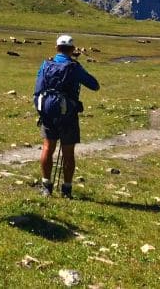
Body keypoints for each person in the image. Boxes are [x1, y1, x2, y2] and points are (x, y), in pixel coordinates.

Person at [36, 34, 100, 198]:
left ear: (56, 48)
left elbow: (38, 90)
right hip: (68, 114)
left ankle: (46, 186)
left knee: (48, 148)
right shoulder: (73, 67)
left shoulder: (46, 64)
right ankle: (66, 188)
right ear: (72, 50)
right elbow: (94, 85)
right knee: (68, 152)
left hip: (48, 112)